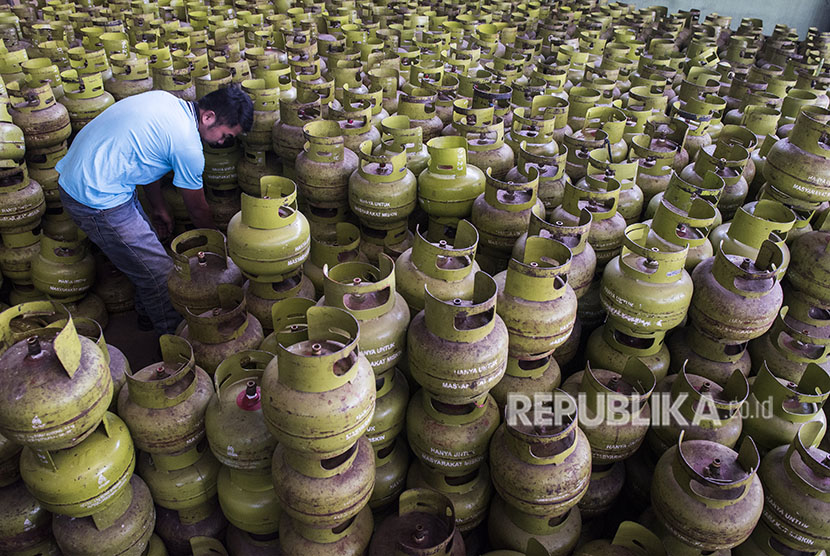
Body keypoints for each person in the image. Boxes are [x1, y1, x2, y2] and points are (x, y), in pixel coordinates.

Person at [56, 86, 254, 335]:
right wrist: (219, 246)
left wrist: (159, 207)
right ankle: (175, 340)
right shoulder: (188, 147)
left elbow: (145, 156)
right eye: (226, 135)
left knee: (143, 259)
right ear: (208, 117)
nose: (224, 142)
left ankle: (147, 317)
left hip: (92, 177)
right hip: (95, 197)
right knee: (160, 276)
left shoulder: (165, 101)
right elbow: (197, 210)